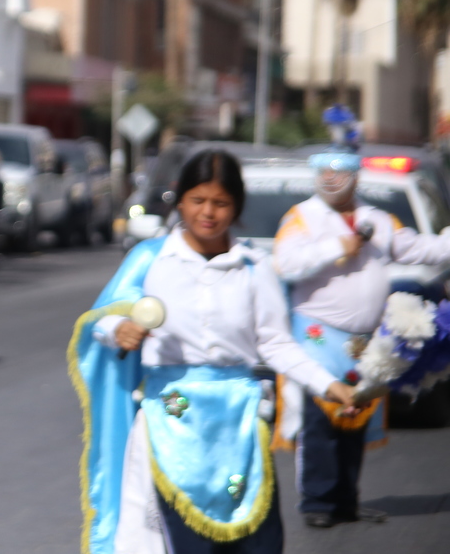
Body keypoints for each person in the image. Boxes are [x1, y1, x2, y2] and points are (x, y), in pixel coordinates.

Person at [69, 150, 355, 554]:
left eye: (220, 203)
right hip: (170, 423)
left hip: (238, 422)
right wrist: (121, 329)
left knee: (257, 539)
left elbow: (275, 342)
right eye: (198, 200)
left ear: (236, 207)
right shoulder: (150, 260)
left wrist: (329, 385)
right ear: (180, 201)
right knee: (179, 541)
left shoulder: (255, 270)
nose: (208, 213)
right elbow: (103, 317)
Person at [272, 143, 450, 528]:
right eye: (323, 172)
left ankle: (346, 500)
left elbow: (416, 248)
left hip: (364, 341)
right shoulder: (301, 217)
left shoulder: (378, 219)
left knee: (357, 416)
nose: (329, 179)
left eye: (338, 172)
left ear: (355, 177)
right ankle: (317, 502)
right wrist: (337, 246)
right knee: (320, 419)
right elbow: (285, 263)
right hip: (317, 337)